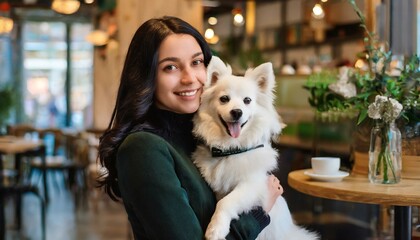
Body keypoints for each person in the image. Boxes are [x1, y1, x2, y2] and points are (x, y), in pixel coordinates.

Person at [97, 16, 283, 239]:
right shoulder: (143, 148)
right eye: (171, 67)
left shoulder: (201, 136)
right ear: (147, 77)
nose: (190, 78)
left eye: (196, 62)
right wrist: (258, 213)